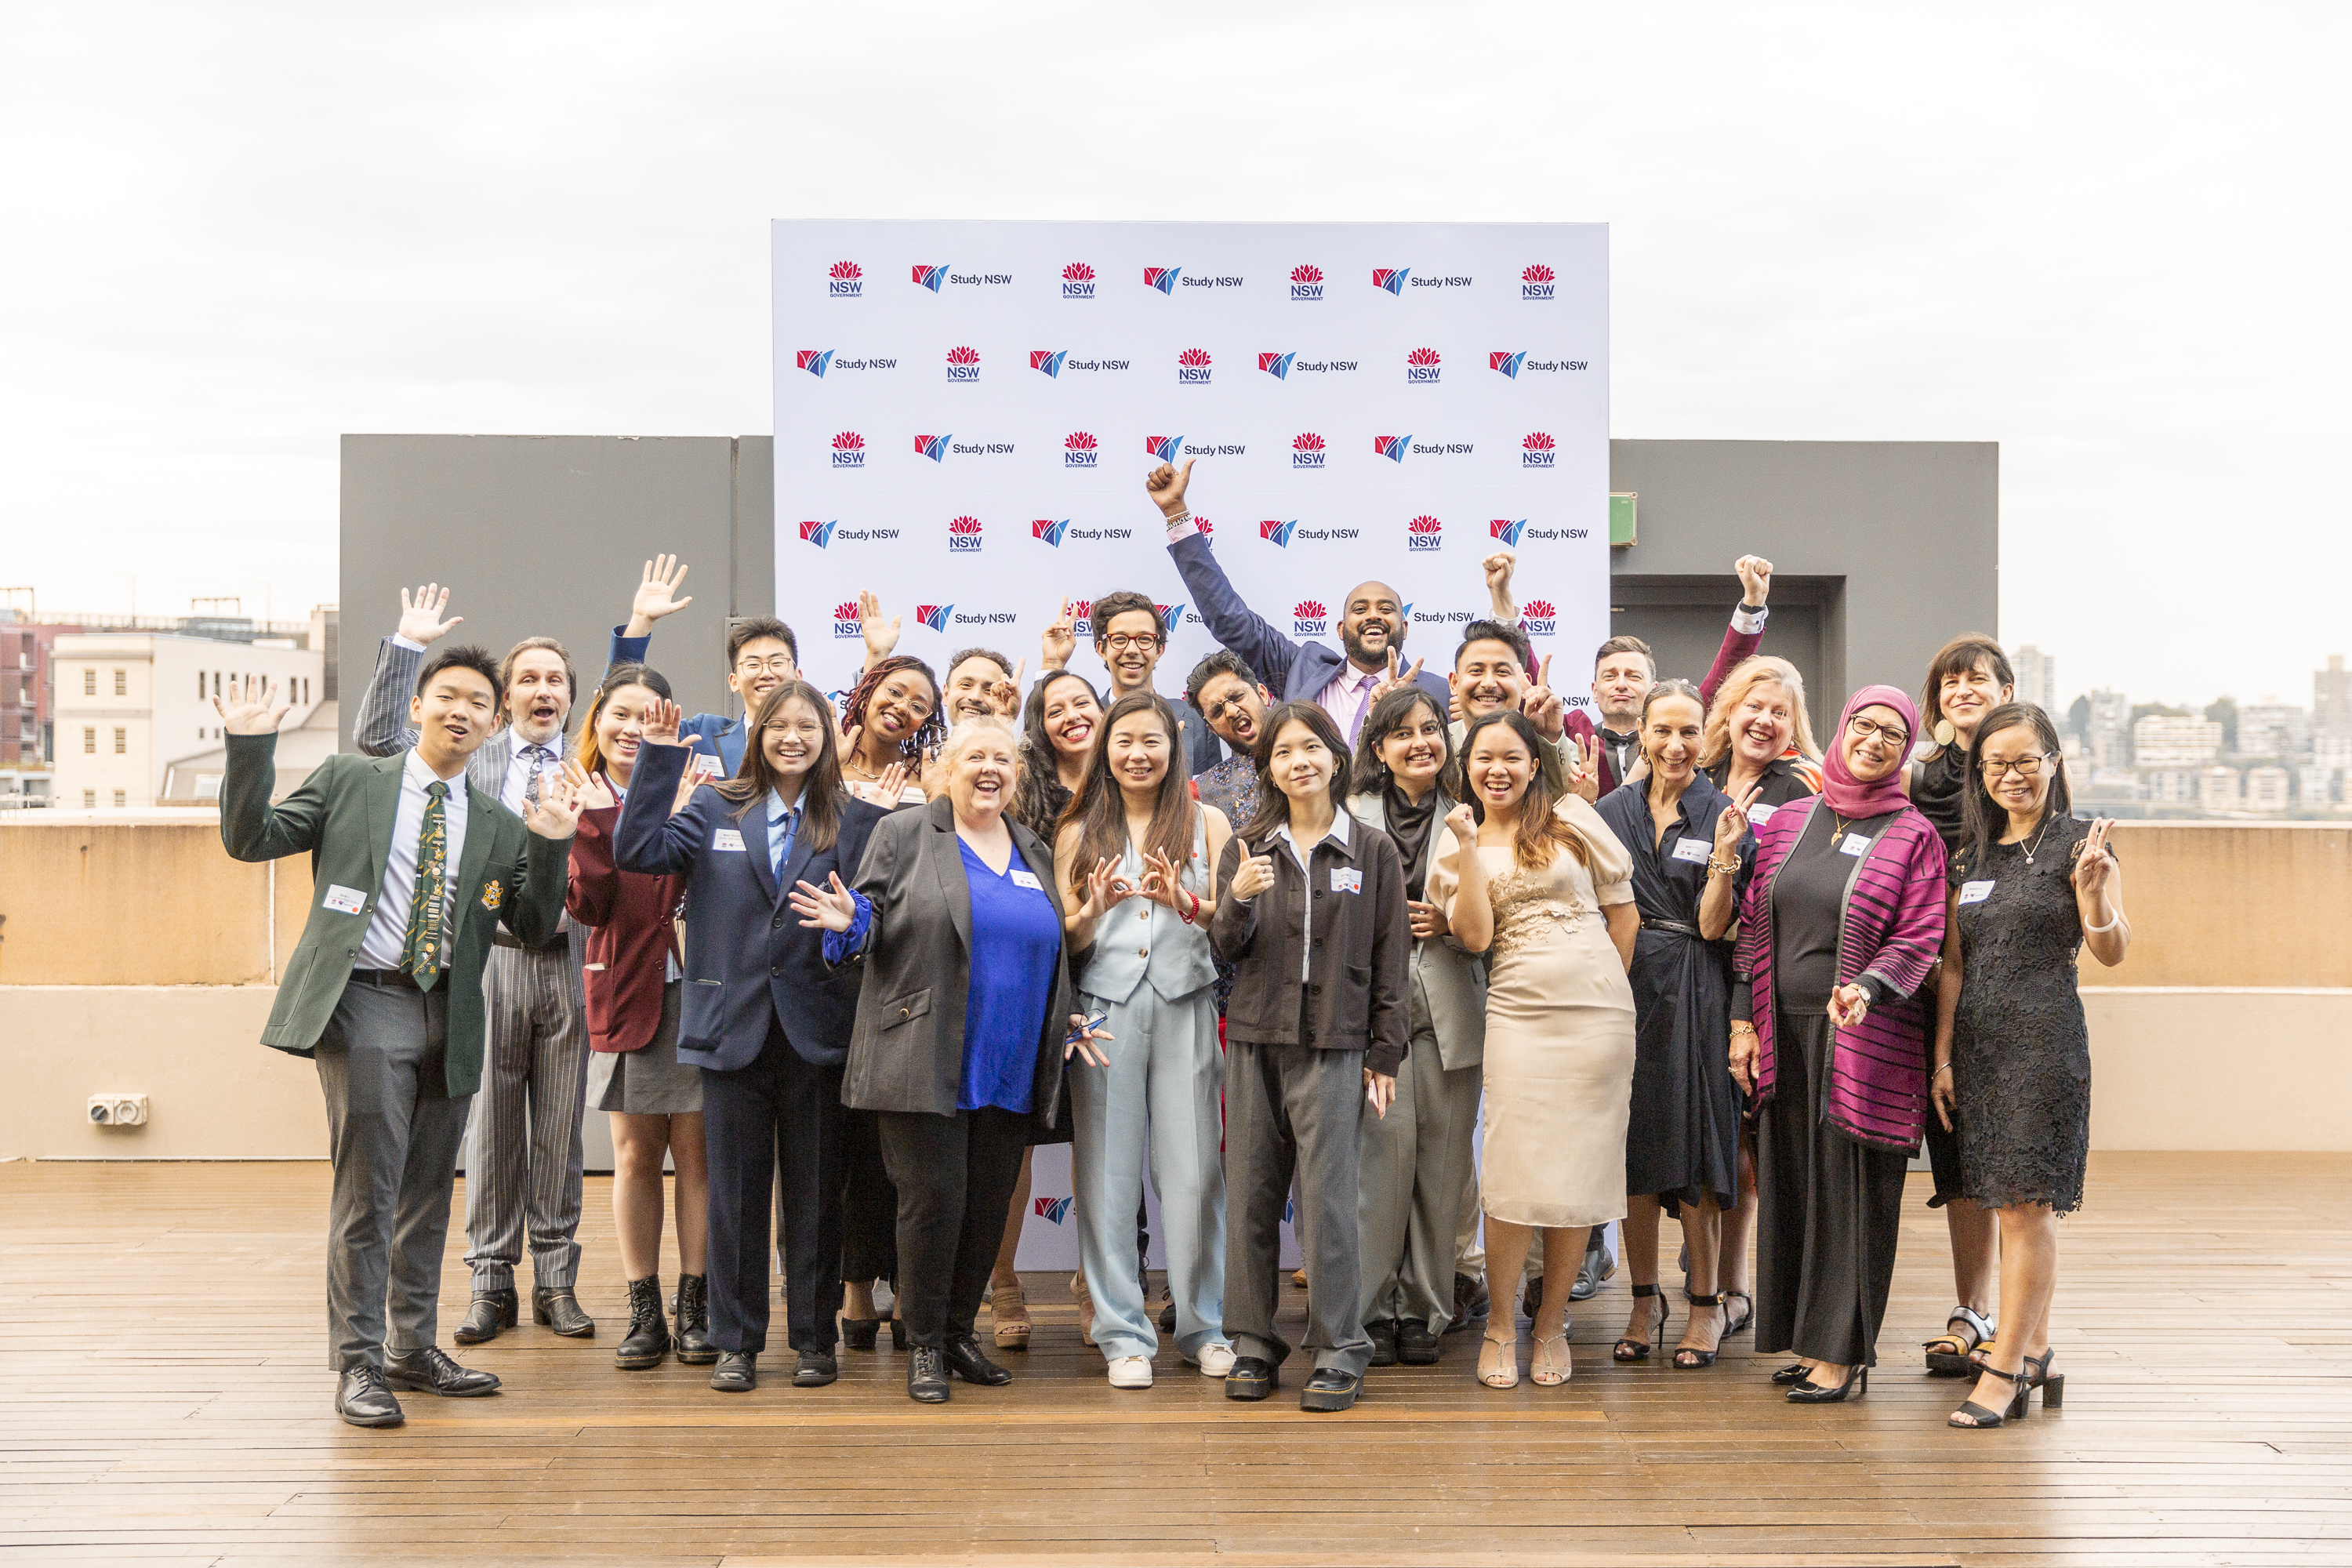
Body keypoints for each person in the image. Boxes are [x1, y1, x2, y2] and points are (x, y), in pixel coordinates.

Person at [213, 655, 578, 1427]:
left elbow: (538, 927)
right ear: (416, 706)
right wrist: (251, 750)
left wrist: (552, 843)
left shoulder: (500, 822)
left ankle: (413, 1346)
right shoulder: (353, 780)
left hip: (451, 1011)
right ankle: (359, 1360)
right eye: (447, 695)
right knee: (369, 1190)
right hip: (366, 1000)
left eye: (479, 702)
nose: (462, 710)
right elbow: (252, 838)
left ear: (495, 721)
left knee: (425, 1193)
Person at [801, 714, 1112, 1404]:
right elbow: (869, 917)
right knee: (932, 1200)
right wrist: (847, 923)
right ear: (947, 768)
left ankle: (958, 1333)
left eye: (1003, 759)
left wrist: (1063, 1014)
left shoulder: (1031, 845)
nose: (990, 770)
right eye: (976, 757)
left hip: (1011, 1055)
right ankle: (923, 1345)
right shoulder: (907, 833)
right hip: (925, 1052)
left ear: (1018, 775)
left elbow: (1040, 948)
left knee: (985, 1205)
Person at [612, 682, 889, 1392]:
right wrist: (659, 761)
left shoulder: (854, 819)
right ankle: (735, 1340)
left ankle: (813, 1338)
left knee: (816, 1194)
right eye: (779, 726)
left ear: (828, 737)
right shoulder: (712, 804)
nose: (793, 737)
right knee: (734, 1191)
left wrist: (851, 924)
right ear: (757, 733)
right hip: (729, 1027)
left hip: (817, 1029)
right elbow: (639, 849)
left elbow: (876, 916)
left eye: (808, 726)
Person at [351, 584, 601, 1344]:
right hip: (488, 961)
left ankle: (557, 1280)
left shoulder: (590, 765)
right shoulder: (468, 757)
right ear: (504, 702)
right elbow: (375, 742)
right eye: (527, 678)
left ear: (570, 696)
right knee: (489, 1126)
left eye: (555, 679)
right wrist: (405, 649)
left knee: (561, 1128)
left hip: (571, 960)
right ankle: (491, 1278)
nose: (543, 690)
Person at [1729, 687, 1948, 1403]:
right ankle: (1806, 1338)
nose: (1876, 740)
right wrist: (1743, 1021)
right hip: (1782, 1028)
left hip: (1861, 1033)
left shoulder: (1916, 835)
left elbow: (1921, 935)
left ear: (1907, 748)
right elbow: (1753, 929)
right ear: (1842, 727)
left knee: (1850, 1191)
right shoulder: (1792, 817)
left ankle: (1842, 1353)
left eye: (1894, 732)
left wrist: (1873, 987)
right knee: (1791, 1182)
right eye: (1865, 724)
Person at [1210, 702, 1410, 1413]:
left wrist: (1385, 1053)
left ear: (1335, 756)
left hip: (1335, 1041)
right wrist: (1232, 902)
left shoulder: (1373, 849)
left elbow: (1393, 959)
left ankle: (1338, 1349)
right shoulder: (1248, 846)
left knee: (1328, 1205)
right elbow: (1222, 950)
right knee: (1252, 1196)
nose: (1299, 761)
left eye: (1311, 747)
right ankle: (1253, 1345)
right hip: (1256, 1038)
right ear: (1267, 767)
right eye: (1283, 751)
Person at [1933, 703, 2127, 1428]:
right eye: (1996, 764)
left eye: (2025, 760)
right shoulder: (1971, 856)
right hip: (1978, 1049)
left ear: (2053, 761)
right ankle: (2038, 1347)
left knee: (2026, 1207)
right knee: (2003, 1203)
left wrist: (2094, 893)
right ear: (1979, 775)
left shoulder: (2083, 844)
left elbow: (2111, 950)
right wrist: (1942, 1058)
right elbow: (1953, 965)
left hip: (2045, 1045)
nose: (2011, 775)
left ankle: (2006, 1369)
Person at [1432, 710, 1637, 1390]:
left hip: (1600, 1012)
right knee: (1513, 1168)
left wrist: (1612, 989)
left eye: (1512, 756)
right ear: (1466, 767)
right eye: (1484, 757)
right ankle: (1499, 1328)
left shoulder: (1574, 815)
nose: (1498, 769)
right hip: (1517, 1010)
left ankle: (1549, 1325)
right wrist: (1465, 847)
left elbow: (1622, 913)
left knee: (1582, 1169)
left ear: (1533, 762)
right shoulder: (1454, 836)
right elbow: (1473, 938)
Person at [1054, 692, 1237, 1388]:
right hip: (1103, 1010)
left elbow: (1229, 922)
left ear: (1175, 744)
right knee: (1105, 1175)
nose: (1138, 754)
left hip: (1186, 1001)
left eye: (1151, 741)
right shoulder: (1078, 828)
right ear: (1105, 748)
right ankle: (1122, 1333)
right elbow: (1064, 935)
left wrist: (1185, 902)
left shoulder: (1207, 820)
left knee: (1194, 1174)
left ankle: (1202, 1325)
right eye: (1124, 741)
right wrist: (1091, 914)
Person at [1593, 681, 1755, 1370]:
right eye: (1662, 731)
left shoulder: (1726, 813)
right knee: (1631, 1151)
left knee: (1695, 1148)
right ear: (1643, 735)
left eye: (1689, 732)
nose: (1675, 745)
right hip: (1623, 985)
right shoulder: (1608, 811)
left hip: (1697, 985)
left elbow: (1719, 927)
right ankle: (1641, 1298)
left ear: (1705, 738)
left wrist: (1724, 852)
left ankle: (1704, 1304)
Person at [560, 665, 713, 1373]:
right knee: (633, 1157)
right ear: (598, 719)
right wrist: (593, 824)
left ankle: (697, 1306)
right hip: (628, 993)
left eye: (649, 719)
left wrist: (691, 804)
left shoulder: (700, 783)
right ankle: (644, 1309)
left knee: (699, 1159)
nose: (632, 730)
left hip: (702, 993)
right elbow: (586, 906)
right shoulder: (583, 794)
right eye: (620, 715)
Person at [1347, 686, 1486, 1368]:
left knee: (1441, 1170)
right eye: (1402, 733)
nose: (1420, 742)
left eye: (1431, 729)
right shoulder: (1348, 815)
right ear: (1378, 749)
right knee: (1380, 1168)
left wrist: (1453, 929)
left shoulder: (1475, 815)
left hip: (1452, 1006)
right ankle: (1373, 1308)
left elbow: (1499, 915)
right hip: (1373, 1015)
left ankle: (1425, 1309)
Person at [1148, 460, 1452, 749]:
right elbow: (1230, 619)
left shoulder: (1441, 693)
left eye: (1386, 610)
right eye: (1359, 610)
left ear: (1405, 627)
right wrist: (1177, 514)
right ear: (1341, 630)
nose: (1373, 615)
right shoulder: (1303, 669)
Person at [1698, 653, 1824, 1334]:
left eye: (1780, 712)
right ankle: (1697, 1283)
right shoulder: (1693, 771)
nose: (1765, 720)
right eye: (1755, 706)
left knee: (1748, 1136)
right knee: (1702, 1129)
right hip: (1690, 968)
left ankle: (1734, 1284)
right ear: (1730, 710)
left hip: (1760, 975)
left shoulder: (1806, 785)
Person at [985, 668, 1110, 1351]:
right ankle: (1005, 1283)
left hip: (1114, 975)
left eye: (1081, 704)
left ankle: (1095, 1283)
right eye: (1055, 708)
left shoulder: (1128, 777)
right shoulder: (1023, 786)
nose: (1071, 716)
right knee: (1018, 1140)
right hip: (1034, 973)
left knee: (1102, 1142)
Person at [1905, 634, 2016, 1376]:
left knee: (1997, 1155)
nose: (1963, 690)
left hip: (2002, 987)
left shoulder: (2020, 774)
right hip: (1920, 979)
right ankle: (1972, 1308)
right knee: (1953, 1151)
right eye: (1950, 681)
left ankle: (2001, 1318)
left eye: (1978, 679)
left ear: (2007, 691)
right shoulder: (1920, 777)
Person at [1481, 547, 1776, 795]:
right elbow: (1529, 677)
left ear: (1654, 691)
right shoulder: (1571, 732)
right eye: (1610, 676)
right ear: (1594, 691)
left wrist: (1752, 602)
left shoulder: (1677, 736)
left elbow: (1723, 676)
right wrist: (1502, 596)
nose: (1621, 684)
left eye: (1633, 676)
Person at [609, 554, 804, 779]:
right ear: (734, 681)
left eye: (777, 663)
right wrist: (641, 622)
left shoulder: (818, 740)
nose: (766, 673)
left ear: (798, 676)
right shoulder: (701, 735)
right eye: (753, 664)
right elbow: (617, 699)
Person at [1056, 587, 1224, 775]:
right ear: (1102, 650)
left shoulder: (1195, 718)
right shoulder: (1086, 722)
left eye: (1144, 639)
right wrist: (1052, 663)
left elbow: (1210, 794)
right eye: (1119, 639)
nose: (1132, 650)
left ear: (1159, 650)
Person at [837, 655, 942, 807]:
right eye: (894, 692)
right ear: (868, 694)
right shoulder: (830, 766)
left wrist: (935, 798)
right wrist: (828, 767)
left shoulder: (927, 782)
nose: (902, 707)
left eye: (918, 707)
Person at [1184, 651, 1271, 829]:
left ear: (1263, 694)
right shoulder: (1200, 794)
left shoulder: (1318, 760)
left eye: (1237, 696)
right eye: (1217, 711)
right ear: (1211, 729)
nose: (1231, 711)